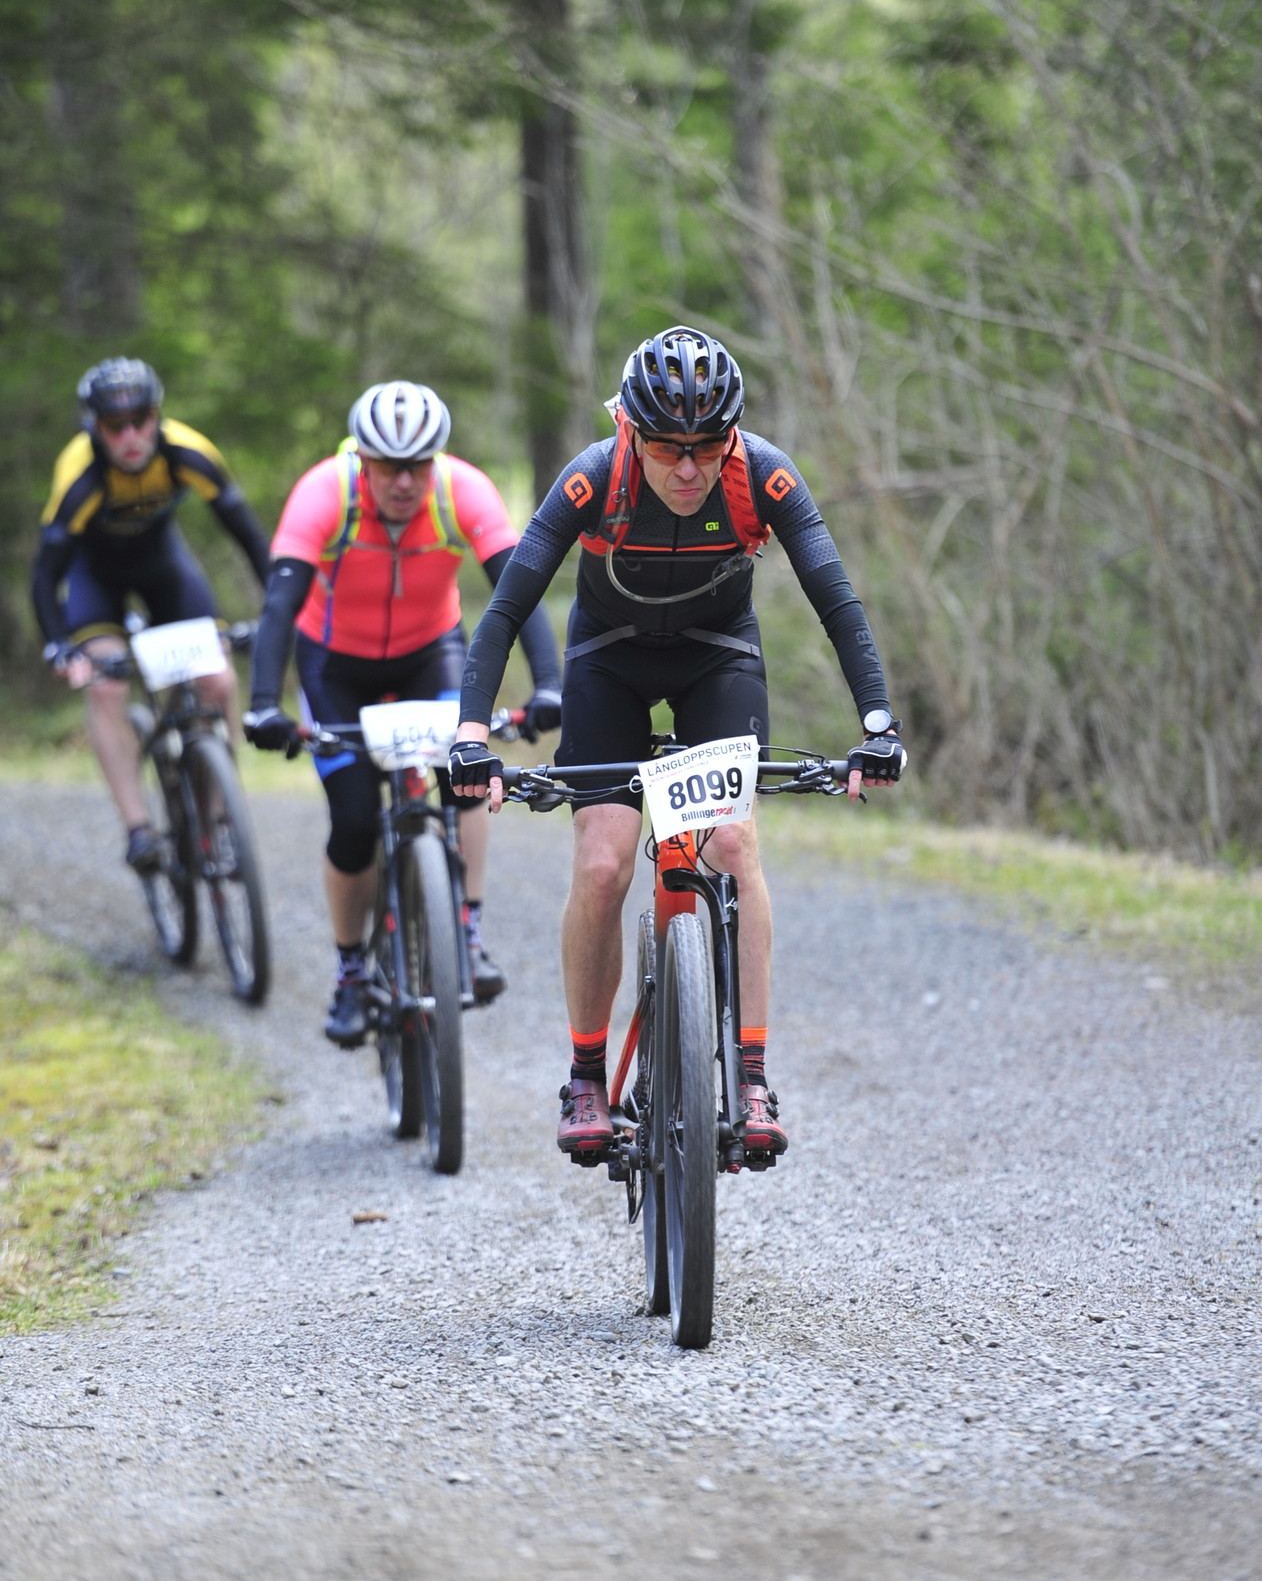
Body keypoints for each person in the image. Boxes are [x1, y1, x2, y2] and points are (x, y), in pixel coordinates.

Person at [449, 326, 906, 1161]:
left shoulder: (763, 474)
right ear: (631, 430)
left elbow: (836, 600)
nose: (689, 468)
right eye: (667, 447)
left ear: (732, 435)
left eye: (707, 446)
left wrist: (878, 726)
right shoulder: (593, 477)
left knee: (732, 843)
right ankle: (587, 1075)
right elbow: (507, 608)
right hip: (608, 661)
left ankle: (753, 1075)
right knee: (603, 862)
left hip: (716, 660)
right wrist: (471, 737)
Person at [243, 379, 562, 1044]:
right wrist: (264, 705)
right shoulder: (324, 492)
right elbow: (279, 607)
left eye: (418, 464)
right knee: (355, 819)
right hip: (335, 665)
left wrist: (550, 686)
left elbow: (518, 589)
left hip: (430, 654)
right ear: (362, 458)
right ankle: (350, 973)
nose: (405, 482)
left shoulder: (462, 490)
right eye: (389, 466)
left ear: (435, 460)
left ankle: (466, 933)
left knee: (466, 775)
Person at [32, 357, 271, 870]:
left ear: (156, 415)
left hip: (165, 569)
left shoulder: (188, 450)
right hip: (96, 579)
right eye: (115, 425)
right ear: (95, 427)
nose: (131, 436)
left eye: (140, 420)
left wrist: (276, 608)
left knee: (217, 680)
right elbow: (45, 574)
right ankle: (139, 828)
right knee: (106, 688)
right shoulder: (80, 475)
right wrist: (59, 646)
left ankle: (219, 815)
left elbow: (248, 536)